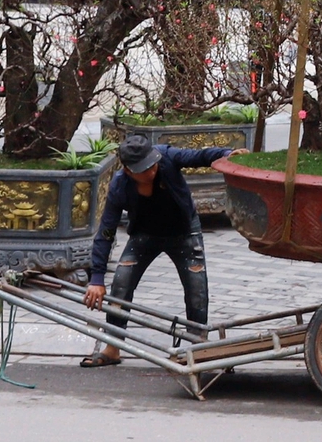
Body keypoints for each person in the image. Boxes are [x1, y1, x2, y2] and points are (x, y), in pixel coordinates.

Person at [79, 133, 243, 367]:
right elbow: (106, 231)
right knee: (121, 283)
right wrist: (96, 278)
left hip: (184, 232)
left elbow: (198, 156)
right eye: (144, 169)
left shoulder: (167, 156)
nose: (152, 171)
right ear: (128, 171)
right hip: (144, 235)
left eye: (153, 165)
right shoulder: (119, 186)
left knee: (196, 290)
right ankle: (113, 346)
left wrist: (226, 155)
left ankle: (198, 347)